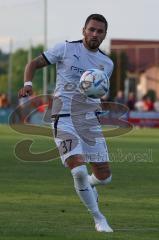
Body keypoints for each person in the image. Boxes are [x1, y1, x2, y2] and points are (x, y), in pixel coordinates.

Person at [18, 14, 114, 233]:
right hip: (63, 119)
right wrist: (28, 83)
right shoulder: (65, 49)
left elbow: (99, 90)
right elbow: (34, 63)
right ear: (83, 30)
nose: (94, 34)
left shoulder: (107, 63)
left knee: (104, 177)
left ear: (104, 35)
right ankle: (99, 218)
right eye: (91, 29)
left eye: (99, 31)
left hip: (90, 122)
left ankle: (90, 185)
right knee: (78, 171)